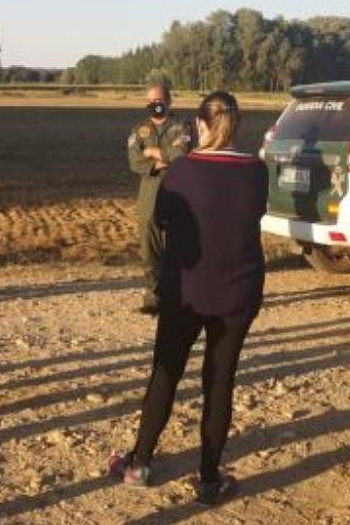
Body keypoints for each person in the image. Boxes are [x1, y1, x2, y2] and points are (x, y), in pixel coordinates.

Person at [108, 91, 267, 507]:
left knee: (165, 374)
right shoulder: (256, 171)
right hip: (238, 293)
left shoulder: (182, 172)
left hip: (186, 292)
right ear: (238, 126)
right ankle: (210, 478)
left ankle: (139, 462)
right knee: (220, 381)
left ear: (198, 125)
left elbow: (161, 219)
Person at [126, 77, 193, 314]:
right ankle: (153, 298)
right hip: (149, 197)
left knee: (176, 250)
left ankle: (178, 298)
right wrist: (163, 159)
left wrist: (154, 152)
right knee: (149, 251)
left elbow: (182, 153)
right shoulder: (139, 130)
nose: (155, 104)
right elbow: (135, 161)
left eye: (160, 100)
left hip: (178, 196)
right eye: (151, 101)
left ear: (169, 100)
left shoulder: (182, 126)